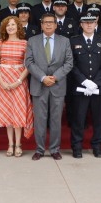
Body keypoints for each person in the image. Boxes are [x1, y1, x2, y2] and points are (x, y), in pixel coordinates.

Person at [25, 13, 74, 160]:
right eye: (45, 22)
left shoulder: (64, 41)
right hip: (39, 85)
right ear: (41, 25)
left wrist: (56, 77)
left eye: (51, 22)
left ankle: (54, 149)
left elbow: (69, 63)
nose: (48, 25)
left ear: (56, 25)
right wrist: (42, 77)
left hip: (57, 86)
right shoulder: (32, 41)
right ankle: (39, 150)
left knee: (55, 119)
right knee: (40, 119)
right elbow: (29, 62)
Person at [69, 12, 101, 158]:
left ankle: (97, 146)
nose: (89, 25)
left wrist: (95, 83)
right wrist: (85, 82)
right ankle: (77, 146)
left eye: (91, 22)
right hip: (80, 87)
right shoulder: (73, 41)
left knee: (98, 119)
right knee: (79, 119)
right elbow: (71, 64)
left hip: (97, 88)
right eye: (86, 22)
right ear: (81, 24)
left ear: (95, 24)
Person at [0, 16, 34, 157]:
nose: (10, 27)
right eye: (7, 25)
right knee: (7, 113)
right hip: (3, 81)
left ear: (18, 27)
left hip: (19, 81)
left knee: (18, 112)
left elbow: (28, 65)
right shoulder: (0, 43)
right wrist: (1, 81)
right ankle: (10, 144)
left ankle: (18, 144)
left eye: (13, 25)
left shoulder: (25, 43)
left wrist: (18, 81)